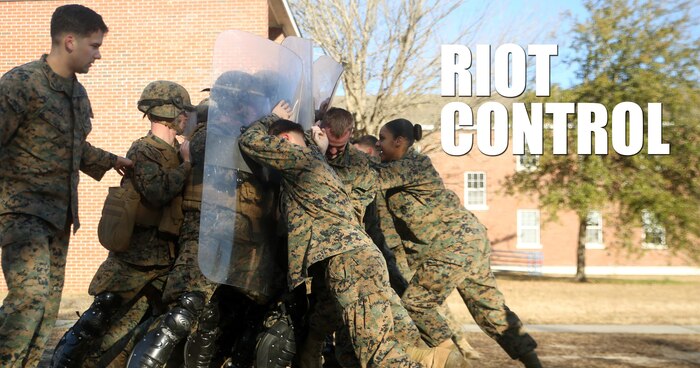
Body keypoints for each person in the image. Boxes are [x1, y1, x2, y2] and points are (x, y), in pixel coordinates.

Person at [239, 117, 464, 368]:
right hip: (360, 259)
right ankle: (435, 358)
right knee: (355, 352)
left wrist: (269, 116)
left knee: (378, 357)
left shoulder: (298, 158)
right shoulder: (317, 163)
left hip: (349, 263)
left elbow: (250, 141)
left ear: (284, 141)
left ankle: (431, 361)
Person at [0, 4, 132, 366]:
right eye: (94, 45)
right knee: (28, 298)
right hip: (21, 212)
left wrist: (111, 161)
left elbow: (73, 147)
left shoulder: (77, 94)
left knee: (44, 312)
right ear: (70, 41)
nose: (99, 54)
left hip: (59, 218)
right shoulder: (21, 84)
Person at [375, 118, 543, 368]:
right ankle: (534, 364)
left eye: (382, 139)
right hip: (466, 241)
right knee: (490, 309)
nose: (378, 144)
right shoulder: (403, 165)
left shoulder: (410, 164)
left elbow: (368, 179)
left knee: (416, 304)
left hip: (454, 245)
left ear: (399, 141)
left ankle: (453, 362)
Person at [51, 80, 194, 368]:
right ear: (170, 112)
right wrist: (186, 165)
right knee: (100, 317)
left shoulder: (177, 150)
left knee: (130, 330)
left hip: (164, 257)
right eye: (182, 112)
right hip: (135, 256)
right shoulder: (144, 150)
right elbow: (156, 193)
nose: (186, 118)